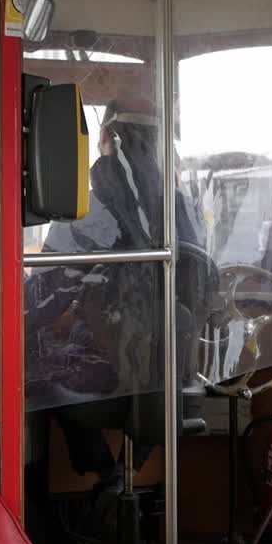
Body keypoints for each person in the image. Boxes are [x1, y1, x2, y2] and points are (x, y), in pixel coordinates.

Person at [25, 100, 206, 495]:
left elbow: (38, 303)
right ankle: (129, 472)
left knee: (36, 376)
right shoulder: (185, 208)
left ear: (104, 137)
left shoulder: (83, 210)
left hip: (107, 383)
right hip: (174, 377)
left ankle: (104, 473)